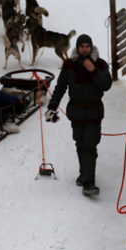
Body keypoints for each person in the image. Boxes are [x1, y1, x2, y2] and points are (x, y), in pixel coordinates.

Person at [45, 34, 112, 197]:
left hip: (94, 112)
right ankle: (84, 174)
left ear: (91, 47)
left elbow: (106, 85)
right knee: (80, 143)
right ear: (77, 47)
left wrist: (93, 70)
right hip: (76, 111)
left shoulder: (100, 64)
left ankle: (89, 183)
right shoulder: (69, 65)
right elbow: (60, 87)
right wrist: (52, 107)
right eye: (82, 46)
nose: (85, 49)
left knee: (90, 145)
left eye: (87, 46)